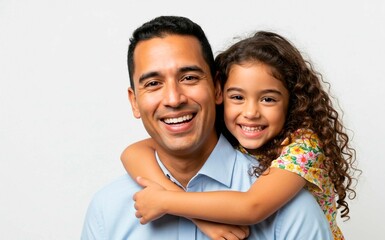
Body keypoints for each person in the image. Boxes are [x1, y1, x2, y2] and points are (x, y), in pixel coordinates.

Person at [81, 15, 332, 239]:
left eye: (189, 78)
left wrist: (170, 201)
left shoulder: (289, 206)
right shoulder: (107, 209)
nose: (173, 99)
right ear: (134, 102)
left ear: (216, 88)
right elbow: (133, 151)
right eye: (154, 83)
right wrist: (195, 214)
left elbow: (251, 206)